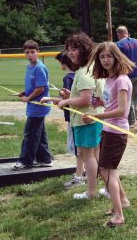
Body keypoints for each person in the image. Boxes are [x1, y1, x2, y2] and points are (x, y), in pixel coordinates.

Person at [82, 41, 134, 227]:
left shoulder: (121, 80)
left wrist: (97, 116)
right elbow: (112, 104)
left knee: (107, 171)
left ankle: (119, 216)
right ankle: (122, 202)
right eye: (102, 56)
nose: (105, 60)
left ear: (116, 57)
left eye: (109, 56)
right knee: (107, 170)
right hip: (108, 129)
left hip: (117, 132)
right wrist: (100, 104)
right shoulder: (110, 79)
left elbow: (121, 111)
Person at [57, 32, 104, 199]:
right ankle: (106, 188)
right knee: (96, 155)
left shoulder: (84, 72)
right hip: (93, 119)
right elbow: (87, 96)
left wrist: (65, 102)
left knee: (87, 156)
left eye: (74, 49)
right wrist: (69, 95)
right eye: (68, 49)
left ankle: (91, 191)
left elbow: (85, 99)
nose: (70, 52)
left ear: (84, 50)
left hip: (86, 121)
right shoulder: (89, 69)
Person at [41, 51, 86, 188]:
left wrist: (52, 99)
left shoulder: (69, 77)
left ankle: (80, 174)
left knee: (78, 148)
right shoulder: (82, 75)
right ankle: (84, 172)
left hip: (75, 118)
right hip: (81, 116)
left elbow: (69, 99)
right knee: (83, 148)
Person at [12, 40, 53, 170]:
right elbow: (34, 86)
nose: (30, 55)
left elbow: (40, 88)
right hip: (33, 105)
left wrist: (27, 98)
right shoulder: (29, 67)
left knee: (30, 133)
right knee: (39, 133)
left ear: (38, 52)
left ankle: (25, 161)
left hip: (39, 106)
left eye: (32, 52)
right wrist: (24, 93)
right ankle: (45, 159)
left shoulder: (39, 68)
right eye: (27, 52)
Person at [116, 26, 137, 131]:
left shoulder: (119, 45)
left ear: (119, 34)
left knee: (126, 98)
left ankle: (130, 121)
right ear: (127, 32)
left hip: (126, 75)